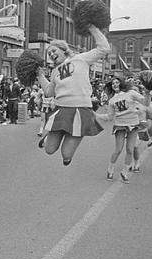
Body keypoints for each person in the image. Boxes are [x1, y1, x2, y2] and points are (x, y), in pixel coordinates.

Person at [35, 26, 111, 166]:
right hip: (62, 109)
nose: (51, 54)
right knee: (49, 150)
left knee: (66, 155)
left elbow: (104, 49)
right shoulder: (54, 71)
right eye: (49, 53)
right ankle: (48, 138)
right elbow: (49, 92)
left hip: (80, 110)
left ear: (63, 50)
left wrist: (91, 27)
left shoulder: (80, 59)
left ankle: (74, 139)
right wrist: (39, 76)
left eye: (53, 50)